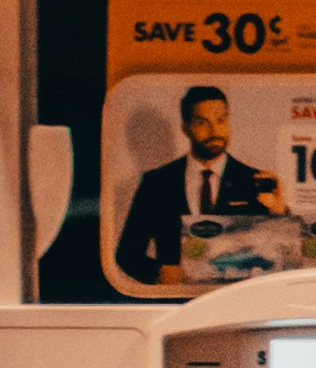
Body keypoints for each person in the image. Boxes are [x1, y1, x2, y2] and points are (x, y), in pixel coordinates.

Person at [111, 78, 289, 297]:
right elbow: (127, 254)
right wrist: (157, 273)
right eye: (202, 122)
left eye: (221, 120)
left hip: (236, 304)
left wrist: (281, 215)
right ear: (186, 127)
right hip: (176, 305)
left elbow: (282, 258)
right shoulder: (157, 182)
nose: (215, 130)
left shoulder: (253, 181)